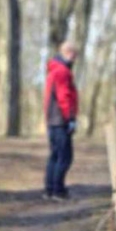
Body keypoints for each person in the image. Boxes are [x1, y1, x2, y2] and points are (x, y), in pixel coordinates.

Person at [43, 41, 79, 201]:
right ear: (69, 53)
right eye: (74, 55)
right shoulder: (62, 71)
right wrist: (70, 118)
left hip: (53, 119)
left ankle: (50, 190)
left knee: (55, 155)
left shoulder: (54, 70)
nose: (75, 59)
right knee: (65, 156)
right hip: (60, 120)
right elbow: (64, 96)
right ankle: (58, 190)